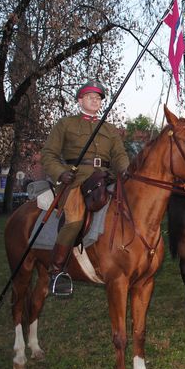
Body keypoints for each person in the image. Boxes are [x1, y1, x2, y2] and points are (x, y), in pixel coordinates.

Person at [40, 80, 129, 295]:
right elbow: (48, 155)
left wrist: (127, 172)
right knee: (75, 219)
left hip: (104, 179)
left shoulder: (109, 129)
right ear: (80, 100)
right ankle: (57, 271)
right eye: (90, 96)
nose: (95, 100)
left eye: (98, 97)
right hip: (77, 181)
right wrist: (61, 172)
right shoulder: (66, 124)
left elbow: (119, 156)